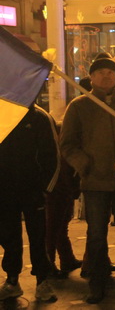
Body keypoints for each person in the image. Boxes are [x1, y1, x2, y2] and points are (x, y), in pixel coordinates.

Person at [61, 57, 115, 304]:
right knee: (96, 234)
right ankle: (97, 280)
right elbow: (67, 144)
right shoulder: (79, 106)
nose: (106, 76)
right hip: (95, 182)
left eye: (111, 72)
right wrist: (84, 164)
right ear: (92, 77)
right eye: (100, 72)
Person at [0, 105, 60, 303]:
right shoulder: (3, 113)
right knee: (8, 236)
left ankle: (42, 281)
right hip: (4, 190)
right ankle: (12, 281)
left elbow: (52, 154)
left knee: (38, 236)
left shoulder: (39, 117)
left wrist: (46, 188)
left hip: (33, 190)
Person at [45, 157, 83, 279]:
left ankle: (67, 259)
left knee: (61, 225)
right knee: (53, 227)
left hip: (64, 184)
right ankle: (49, 266)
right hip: (58, 186)